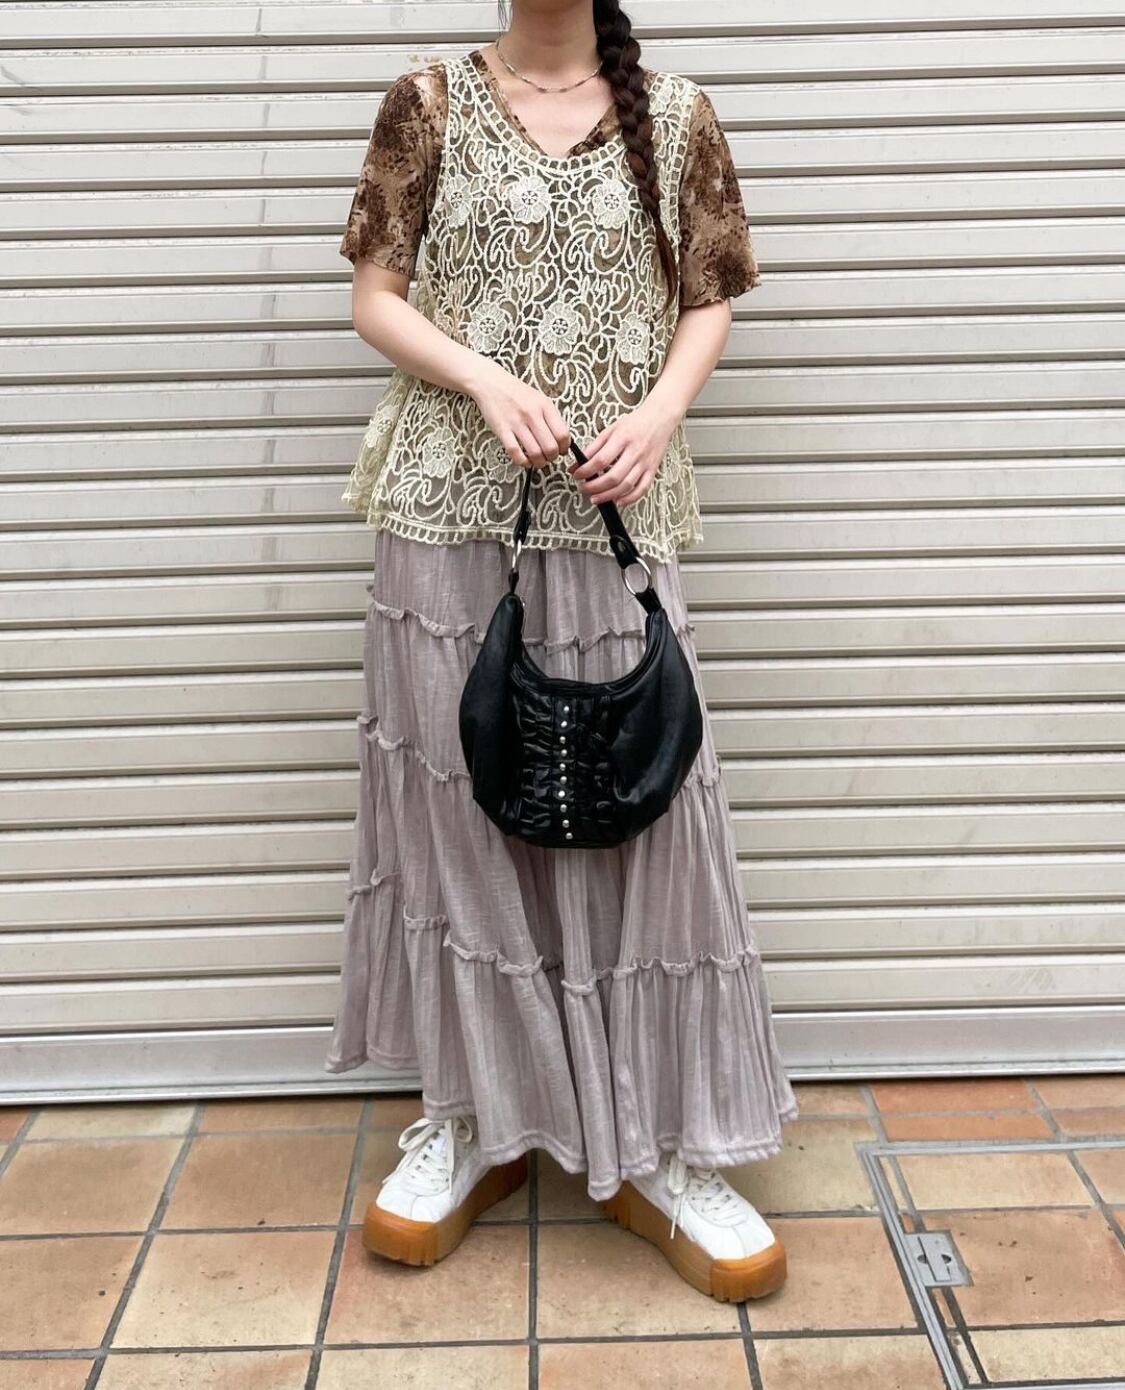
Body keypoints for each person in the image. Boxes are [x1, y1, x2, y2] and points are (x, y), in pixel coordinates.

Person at [324, 0, 799, 1303]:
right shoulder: (425, 100)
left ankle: (664, 1140)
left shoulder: (678, 115)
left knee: (644, 808)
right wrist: (481, 377)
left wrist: (660, 411)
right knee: (459, 815)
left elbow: (708, 299)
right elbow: (374, 300)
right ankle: (471, 1111)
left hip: (614, 513)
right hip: (443, 513)